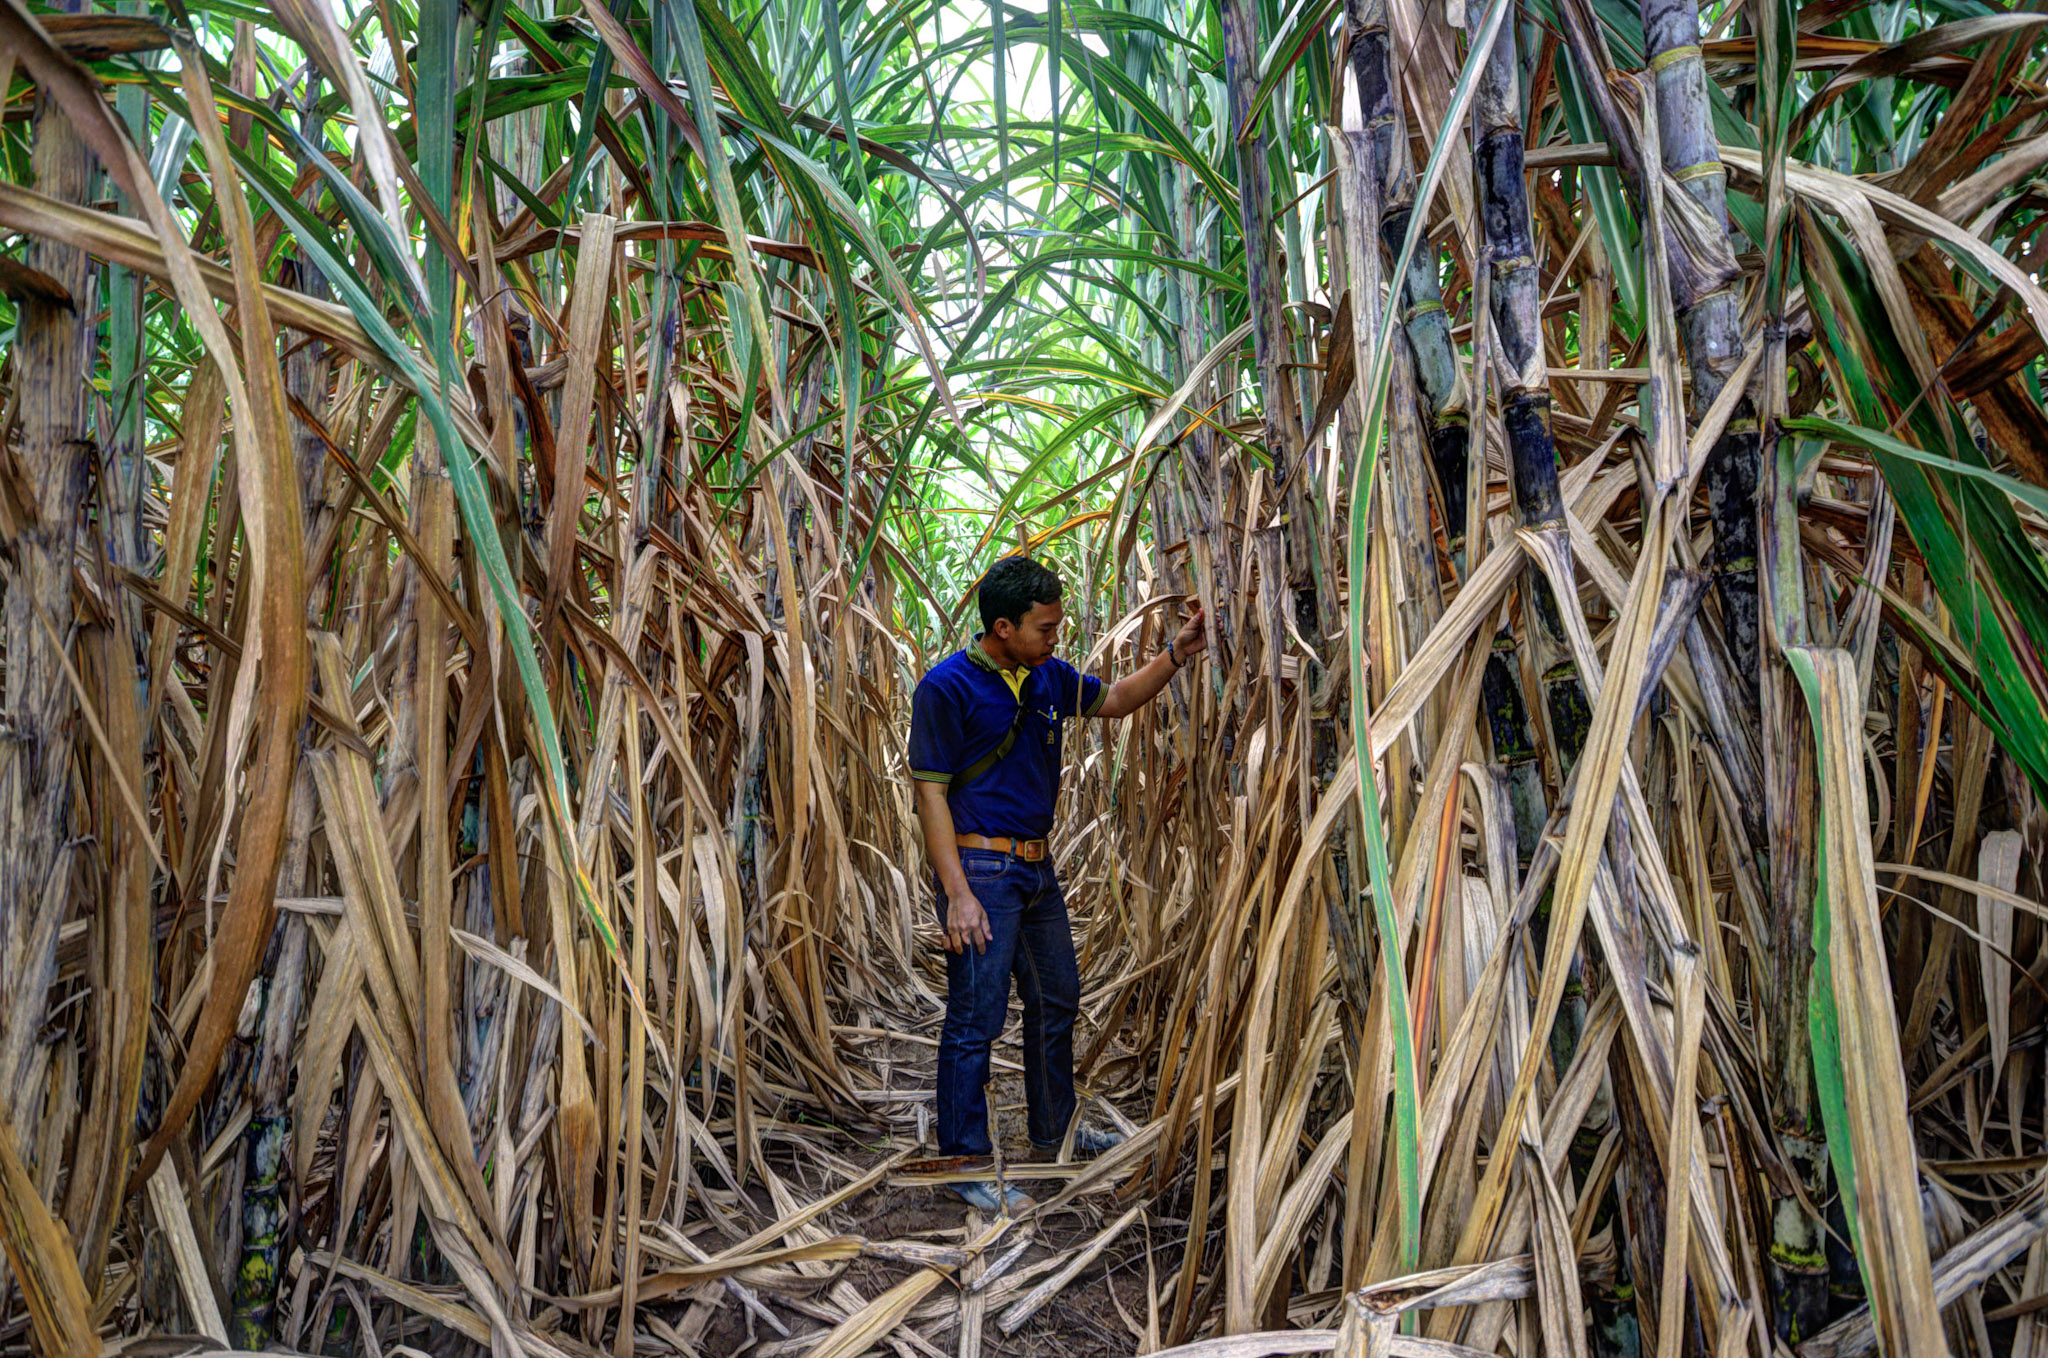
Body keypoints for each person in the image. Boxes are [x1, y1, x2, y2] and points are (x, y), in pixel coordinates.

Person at [908, 555, 1207, 1213]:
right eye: (1045, 628)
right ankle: (963, 1158)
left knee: (1058, 998)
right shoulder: (946, 688)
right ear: (1003, 626)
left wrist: (1176, 655)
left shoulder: (1047, 677)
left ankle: (1055, 1133)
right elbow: (929, 795)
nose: (1055, 638)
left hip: (1036, 872)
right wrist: (957, 893)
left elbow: (1120, 698)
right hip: (982, 870)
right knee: (976, 1015)